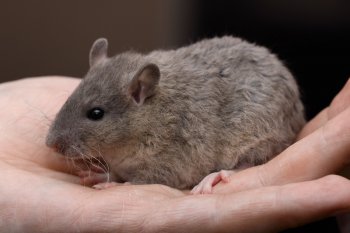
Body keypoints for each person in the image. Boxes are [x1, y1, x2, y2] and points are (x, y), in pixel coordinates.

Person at [1, 76, 350, 233]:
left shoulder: (164, 125)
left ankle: (241, 167)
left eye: (95, 116)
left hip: (257, 105)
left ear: (140, 93)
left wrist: (120, 177)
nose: (56, 141)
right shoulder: (135, 105)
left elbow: (175, 170)